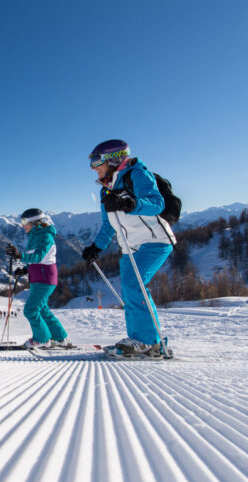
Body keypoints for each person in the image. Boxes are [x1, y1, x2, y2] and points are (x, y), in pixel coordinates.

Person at [81, 139, 176, 354]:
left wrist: (130, 204)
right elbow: (108, 225)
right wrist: (96, 247)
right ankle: (139, 338)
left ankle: (149, 340)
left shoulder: (137, 174)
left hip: (155, 241)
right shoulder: (106, 190)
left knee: (135, 284)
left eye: (97, 162)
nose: (93, 168)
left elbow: (156, 203)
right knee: (130, 288)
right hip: (130, 247)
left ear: (113, 159)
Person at [5, 209, 68, 348]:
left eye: (24, 221)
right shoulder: (34, 236)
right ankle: (60, 337)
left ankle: (42, 339)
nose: (22, 225)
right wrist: (25, 269)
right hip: (37, 277)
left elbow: (39, 256)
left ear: (34, 221)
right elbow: (39, 259)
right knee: (42, 309)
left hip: (45, 278)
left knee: (31, 310)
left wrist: (20, 256)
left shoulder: (45, 236)